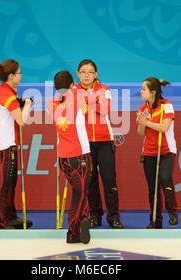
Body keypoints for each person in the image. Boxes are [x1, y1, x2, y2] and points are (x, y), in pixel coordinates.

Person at [74, 59, 123, 229]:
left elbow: (105, 110)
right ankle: (95, 215)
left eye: (90, 72)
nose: (86, 75)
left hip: (105, 141)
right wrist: (93, 101)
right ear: (78, 74)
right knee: (91, 181)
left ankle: (114, 217)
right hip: (85, 142)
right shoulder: (73, 89)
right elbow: (78, 109)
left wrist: (86, 101)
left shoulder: (105, 89)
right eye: (83, 71)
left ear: (96, 75)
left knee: (109, 180)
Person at [47, 70, 91, 244]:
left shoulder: (51, 103)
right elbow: (87, 108)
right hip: (80, 155)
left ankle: (82, 221)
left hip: (63, 157)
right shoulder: (79, 97)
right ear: (72, 85)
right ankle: (73, 232)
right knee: (80, 194)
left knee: (80, 192)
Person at [0, 59, 33, 229]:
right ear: (11, 76)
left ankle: (10, 217)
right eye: (19, 72)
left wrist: (21, 101)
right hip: (5, 145)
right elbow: (22, 120)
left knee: (11, 183)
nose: (21, 75)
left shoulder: (8, 90)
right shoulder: (5, 93)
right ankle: (1, 222)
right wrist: (28, 104)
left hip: (11, 144)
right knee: (3, 184)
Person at [136, 77, 178, 229]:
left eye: (143, 89)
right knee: (152, 188)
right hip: (149, 152)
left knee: (165, 178)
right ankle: (155, 220)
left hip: (165, 150)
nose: (140, 92)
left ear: (153, 92)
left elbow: (164, 127)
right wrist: (142, 122)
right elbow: (141, 132)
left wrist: (147, 123)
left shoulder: (166, 106)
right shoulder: (143, 109)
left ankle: (172, 211)